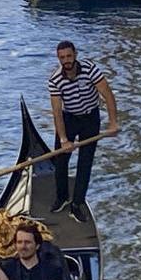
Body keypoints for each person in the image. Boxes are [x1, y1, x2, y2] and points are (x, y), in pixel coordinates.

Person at [45, 40, 119, 217]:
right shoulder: (55, 80)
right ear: (59, 59)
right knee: (60, 160)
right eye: (62, 58)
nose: (66, 60)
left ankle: (77, 203)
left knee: (85, 162)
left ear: (75, 55)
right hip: (69, 118)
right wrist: (63, 140)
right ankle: (62, 197)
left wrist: (113, 123)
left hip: (90, 118)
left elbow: (107, 94)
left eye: (69, 56)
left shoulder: (90, 69)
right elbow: (57, 113)